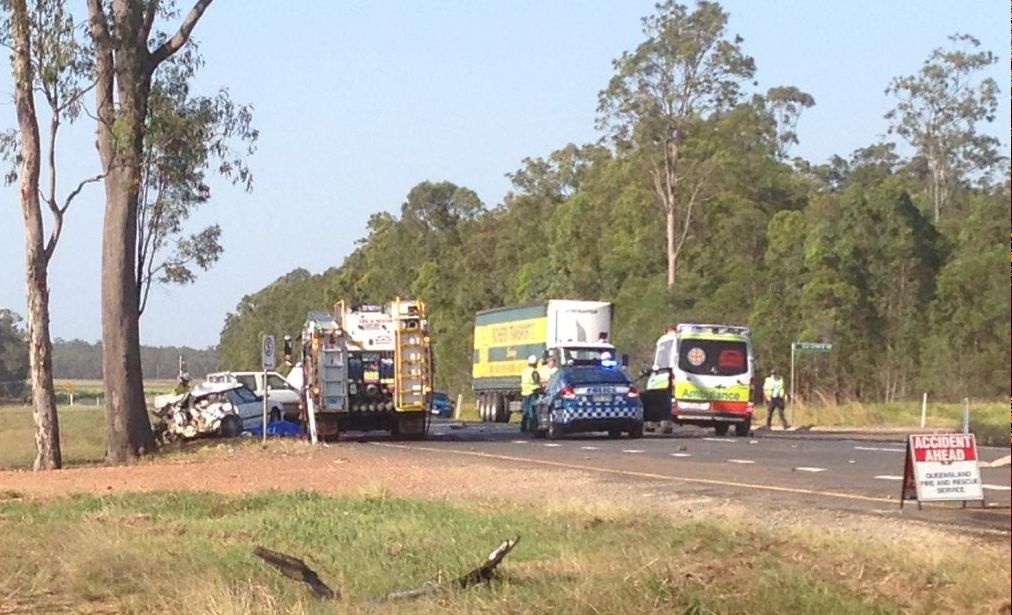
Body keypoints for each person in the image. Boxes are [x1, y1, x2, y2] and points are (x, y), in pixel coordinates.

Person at [519, 355, 541, 432]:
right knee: (532, 410)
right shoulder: (534, 372)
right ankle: (532, 427)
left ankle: (523, 427)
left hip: (524, 392)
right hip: (532, 392)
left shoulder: (524, 371)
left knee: (525, 410)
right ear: (535, 363)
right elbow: (536, 381)